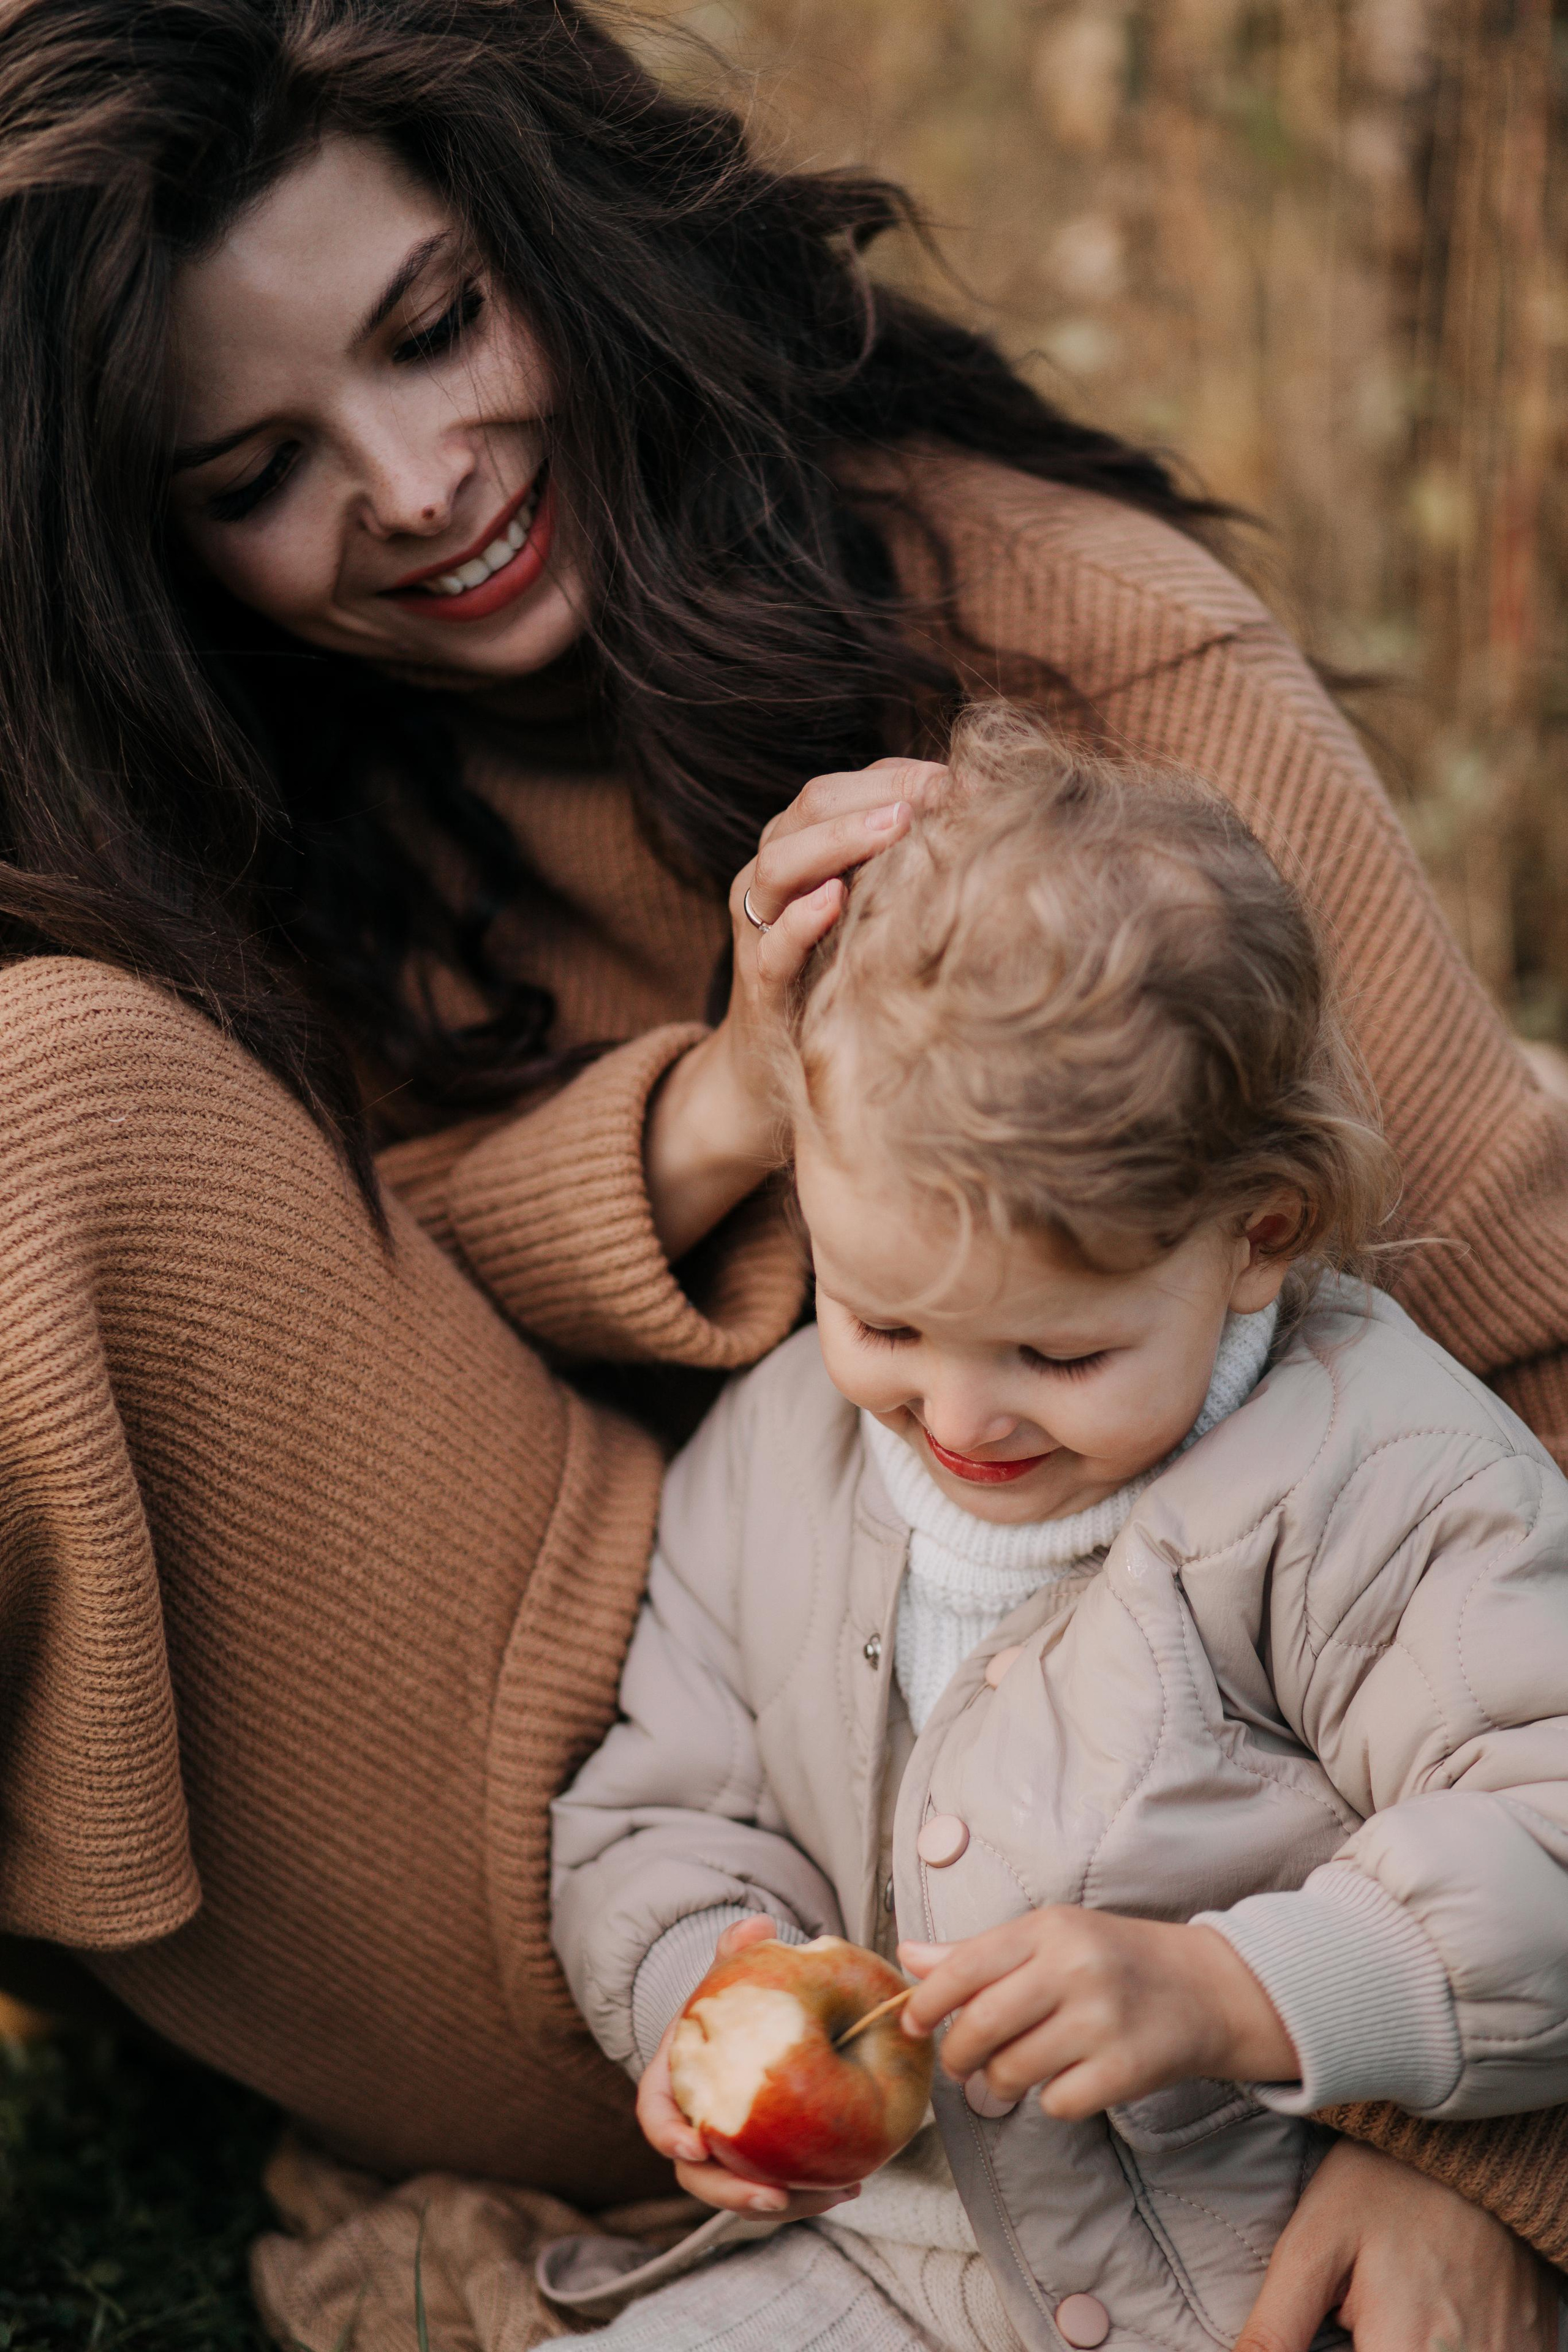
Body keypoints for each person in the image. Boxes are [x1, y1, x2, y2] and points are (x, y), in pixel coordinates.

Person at [0, 0, 1559, 2337]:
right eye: (256, 471)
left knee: (39, 1106)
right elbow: (297, 1313)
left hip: (1021, 1942)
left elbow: (1528, 1368)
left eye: (437, 327)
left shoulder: (1079, 677)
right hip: (656, 1850)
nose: (416, 483)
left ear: (560, 239)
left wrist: (1481, 2145)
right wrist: (734, 1108)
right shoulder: (231, 779)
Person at [551, 714, 1568, 2351]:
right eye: (882, 1320)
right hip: (894, 2253)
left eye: (1058, 1353)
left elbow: (1552, 1818)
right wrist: (699, 1987)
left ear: (1255, 1236)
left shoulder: (1373, 1476)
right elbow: (664, 1798)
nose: (959, 1421)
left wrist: (1235, 1993)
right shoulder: (772, 1464)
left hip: (1251, 2270)